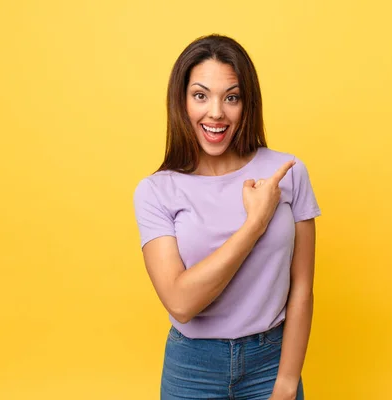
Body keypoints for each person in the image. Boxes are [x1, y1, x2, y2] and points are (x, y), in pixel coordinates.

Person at [133, 34, 321, 400]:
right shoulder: (156, 191)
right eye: (200, 95)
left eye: (231, 97)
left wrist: (286, 381)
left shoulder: (287, 172)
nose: (216, 112)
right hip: (192, 370)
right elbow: (181, 302)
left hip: (272, 363)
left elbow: (302, 287)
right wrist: (254, 223)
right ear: (181, 101)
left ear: (247, 104)